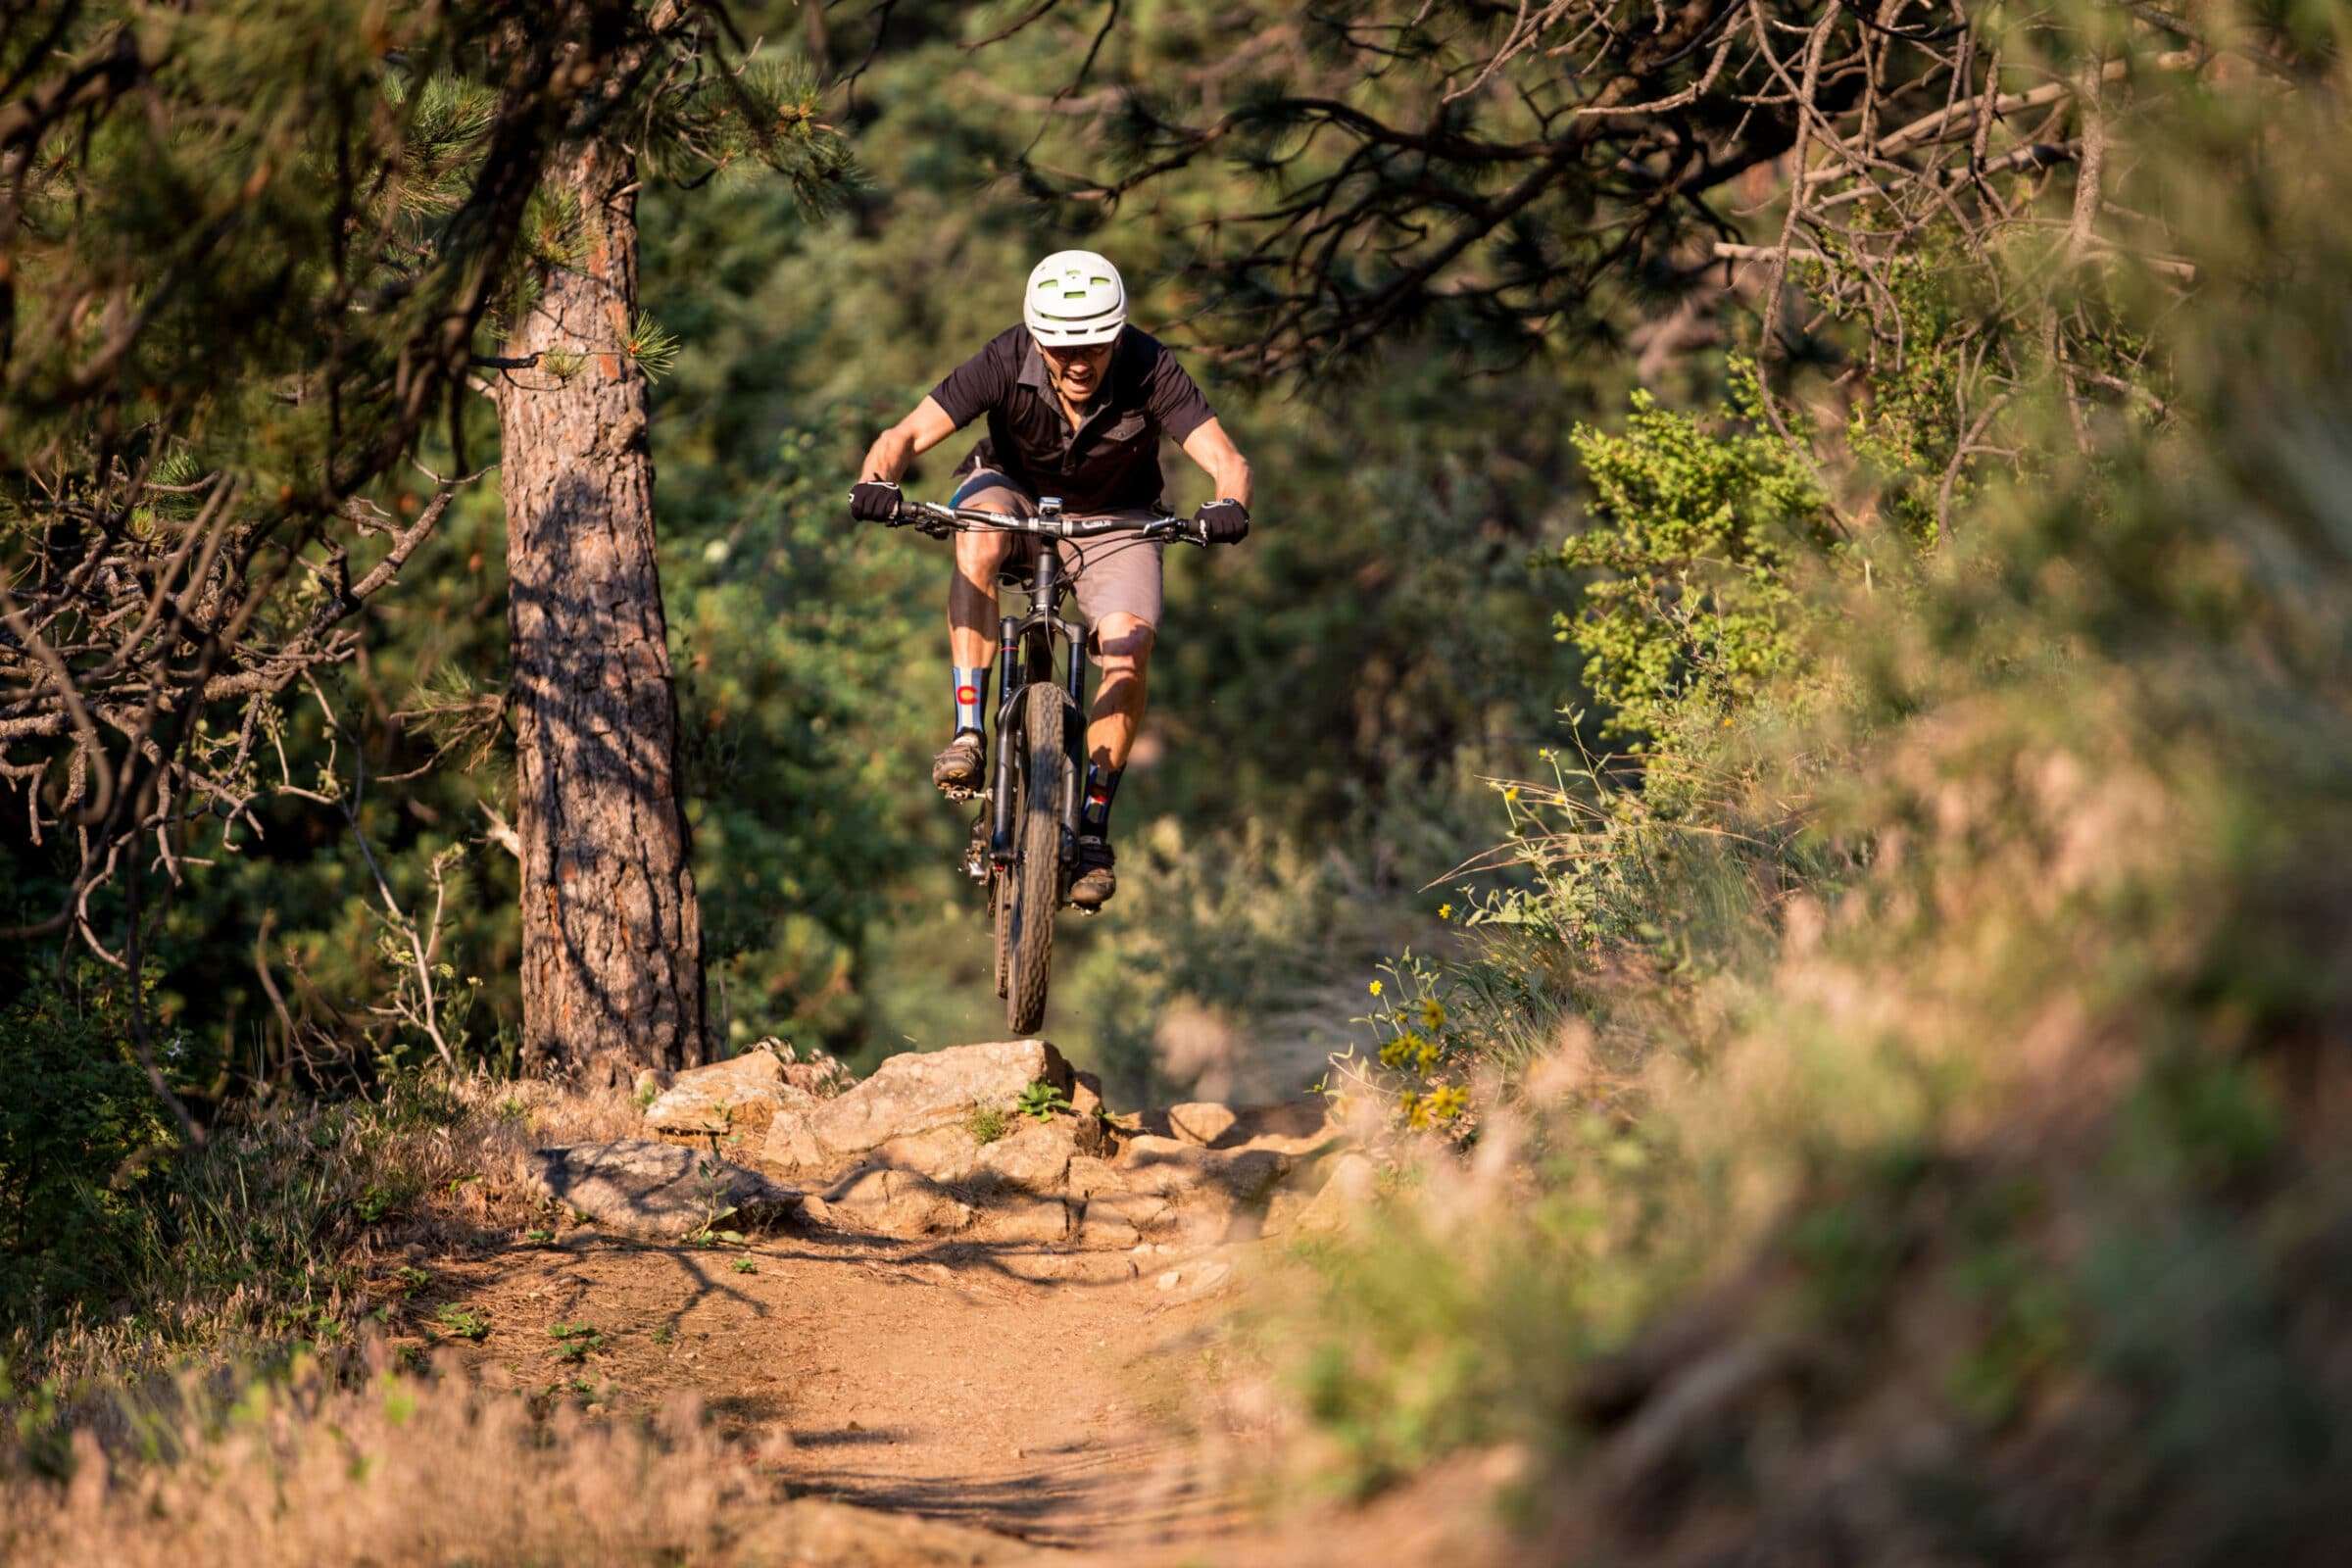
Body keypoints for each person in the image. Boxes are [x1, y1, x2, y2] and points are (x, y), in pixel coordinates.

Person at [849, 250, 1254, 910]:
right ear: (1037, 336)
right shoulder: (1005, 358)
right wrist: (876, 480)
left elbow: (1226, 458)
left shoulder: (1151, 366)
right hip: (1011, 493)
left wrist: (1230, 502)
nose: (1077, 362)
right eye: (1062, 346)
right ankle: (968, 731)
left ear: (1117, 334)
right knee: (974, 532)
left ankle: (1092, 828)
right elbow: (903, 435)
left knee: (1129, 646)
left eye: (1093, 345)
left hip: (1117, 517)